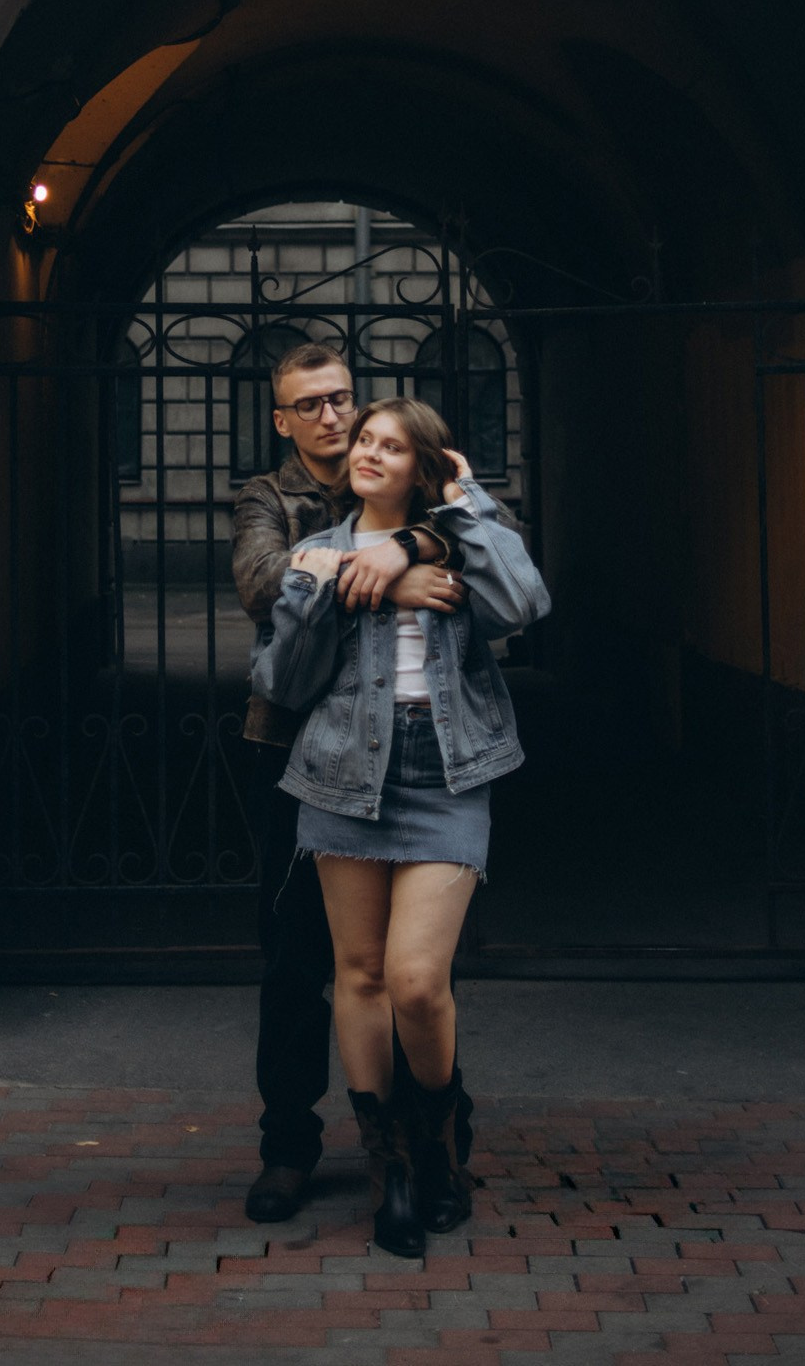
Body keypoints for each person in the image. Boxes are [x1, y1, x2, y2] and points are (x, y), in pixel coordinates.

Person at [252, 396, 549, 1257]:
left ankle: (439, 1132)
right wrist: (337, 589)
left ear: (424, 465)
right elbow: (283, 676)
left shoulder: (460, 535)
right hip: (342, 771)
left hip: (447, 773)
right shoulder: (318, 551)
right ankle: (394, 1169)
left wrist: (458, 513)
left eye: (391, 445)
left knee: (418, 979)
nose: (369, 453)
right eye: (365, 442)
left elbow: (524, 604)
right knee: (359, 973)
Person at [231, 343, 468, 1224]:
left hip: (408, 753)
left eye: (340, 398)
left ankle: (434, 1136)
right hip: (299, 747)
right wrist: (393, 575)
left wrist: (406, 538)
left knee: (419, 965)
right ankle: (288, 1145)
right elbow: (263, 581)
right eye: (309, 404)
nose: (332, 417)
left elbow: (482, 537)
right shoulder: (269, 496)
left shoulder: (401, 471)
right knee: (297, 958)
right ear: (283, 418)